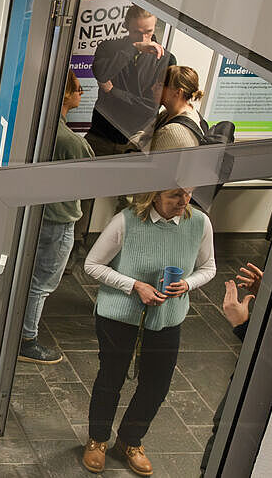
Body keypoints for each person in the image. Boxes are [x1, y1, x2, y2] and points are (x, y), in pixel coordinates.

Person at [80, 187, 216, 476]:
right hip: (119, 316)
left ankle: (130, 441)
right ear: (154, 196)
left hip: (167, 317)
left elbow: (209, 267)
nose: (184, 201)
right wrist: (134, 286)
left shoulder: (200, 223)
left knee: (157, 385)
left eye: (188, 194)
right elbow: (92, 265)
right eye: (175, 195)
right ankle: (98, 440)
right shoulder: (125, 221)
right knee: (110, 378)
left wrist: (188, 284)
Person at [17, 72, 95, 365]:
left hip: (37, 216)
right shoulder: (70, 141)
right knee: (42, 284)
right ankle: (27, 340)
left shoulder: (38, 128)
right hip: (58, 221)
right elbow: (92, 180)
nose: (82, 94)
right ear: (65, 96)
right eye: (78, 89)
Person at [86, 5, 177, 156]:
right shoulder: (108, 48)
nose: (143, 38)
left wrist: (112, 91)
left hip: (136, 143)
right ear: (126, 26)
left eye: (148, 32)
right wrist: (133, 48)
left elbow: (151, 107)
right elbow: (102, 75)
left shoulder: (166, 59)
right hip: (101, 135)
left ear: (155, 27)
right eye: (137, 32)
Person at [200, 262, 262, 473]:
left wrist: (242, 324)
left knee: (228, 431)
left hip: (256, 389)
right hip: (249, 383)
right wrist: (268, 298)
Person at [142, 66, 205, 152]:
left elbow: (142, 157)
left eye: (160, 85)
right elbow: (143, 137)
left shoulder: (171, 132)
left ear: (178, 92)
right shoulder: (167, 114)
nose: (153, 88)